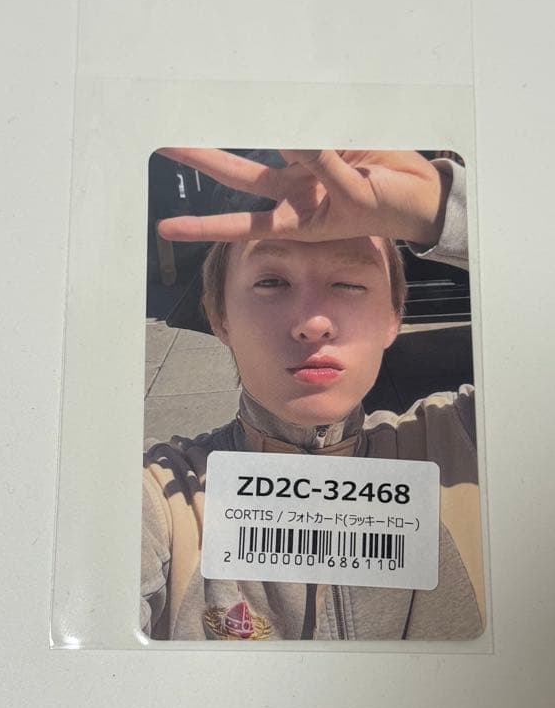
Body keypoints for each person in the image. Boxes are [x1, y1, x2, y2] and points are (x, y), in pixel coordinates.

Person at [141, 149, 484, 641]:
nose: (313, 323)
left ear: (394, 315)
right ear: (219, 315)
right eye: (271, 282)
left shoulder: (467, 444)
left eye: (348, 283)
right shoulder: (164, 498)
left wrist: (442, 211)